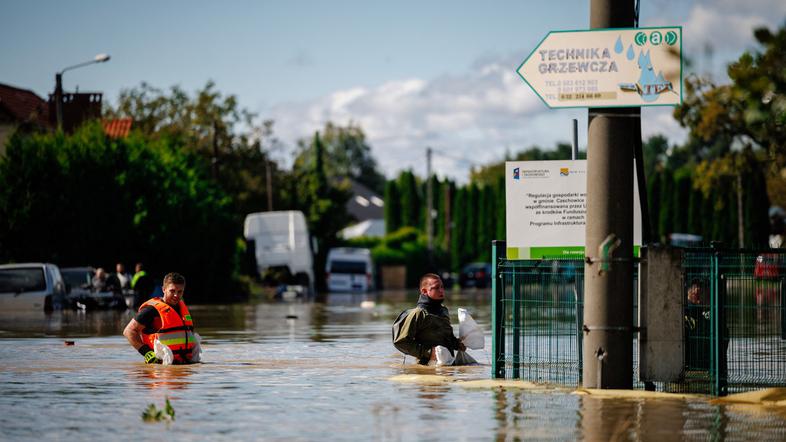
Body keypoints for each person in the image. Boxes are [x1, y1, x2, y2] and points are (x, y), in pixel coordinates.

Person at [123, 272, 197, 364]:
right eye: (172, 291)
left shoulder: (182, 308)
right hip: (160, 368)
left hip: (184, 366)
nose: (176, 295)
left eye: (180, 292)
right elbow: (129, 331)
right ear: (164, 289)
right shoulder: (151, 310)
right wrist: (146, 353)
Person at [392, 273, 465, 365]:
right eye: (436, 288)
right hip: (426, 367)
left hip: (448, 365)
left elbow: (448, 338)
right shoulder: (418, 313)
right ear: (424, 291)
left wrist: (457, 344)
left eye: (442, 287)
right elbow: (400, 342)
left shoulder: (444, 311)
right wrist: (429, 353)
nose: (441, 290)